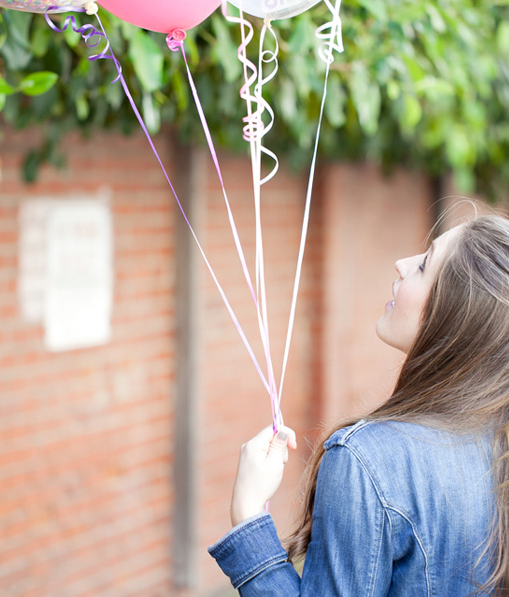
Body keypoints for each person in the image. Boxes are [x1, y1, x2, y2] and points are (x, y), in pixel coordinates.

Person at [209, 212, 509, 596]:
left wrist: (249, 518)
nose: (401, 264)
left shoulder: (367, 458)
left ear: (453, 312)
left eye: (423, 265)